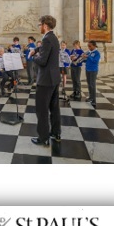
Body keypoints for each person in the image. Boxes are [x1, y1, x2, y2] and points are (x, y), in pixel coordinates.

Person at [31, 14, 63, 147]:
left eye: (39, 25)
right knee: (54, 108)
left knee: (42, 110)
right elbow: (48, 50)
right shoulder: (53, 37)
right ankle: (56, 133)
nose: (39, 27)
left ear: (44, 25)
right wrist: (37, 49)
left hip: (45, 80)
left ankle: (43, 137)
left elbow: (42, 61)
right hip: (54, 78)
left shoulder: (46, 39)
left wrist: (33, 57)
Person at [84, 40, 102, 108]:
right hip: (88, 69)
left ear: (94, 46)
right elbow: (87, 60)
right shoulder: (89, 52)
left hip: (93, 70)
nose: (88, 47)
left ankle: (94, 100)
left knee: (92, 85)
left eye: (90, 46)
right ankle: (90, 97)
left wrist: (88, 57)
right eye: (88, 46)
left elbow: (95, 61)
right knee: (89, 84)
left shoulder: (97, 53)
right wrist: (84, 58)